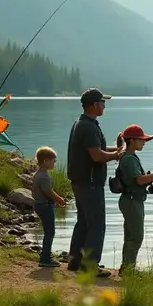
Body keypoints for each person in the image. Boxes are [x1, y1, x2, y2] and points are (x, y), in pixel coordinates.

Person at [66, 88, 126, 277]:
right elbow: (97, 155)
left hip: (80, 181)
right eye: (102, 102)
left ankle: (75, 260)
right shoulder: (89, 127)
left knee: (83, 222)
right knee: (96, 224)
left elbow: (97, 149)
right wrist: (117, 154)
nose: (104, 105)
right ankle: (90, 265)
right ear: (94, 105)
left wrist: (116, 149)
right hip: (90, 183)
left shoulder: (82, 123)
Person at [116, 124, 153, 276]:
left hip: (130, 200)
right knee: (136, 237)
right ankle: (129, 271)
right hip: (132, 201)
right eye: (141, 140)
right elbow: (139, 180)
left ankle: (126, 267)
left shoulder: (127, 156)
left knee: (130, 236)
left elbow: (138, 180)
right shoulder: (129, 159)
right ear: (132, 141)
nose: (144, 142)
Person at [32, 146, 67, 268]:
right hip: (45, 206)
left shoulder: (40, 173)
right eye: (53, 160)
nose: (54, 163)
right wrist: (60, 200)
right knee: (50, 232)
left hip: (41, 204)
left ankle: (45, 255)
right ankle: (46, 258)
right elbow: (49, 192)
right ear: (45, 161)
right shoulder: (43, 176)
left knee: (48, 231)